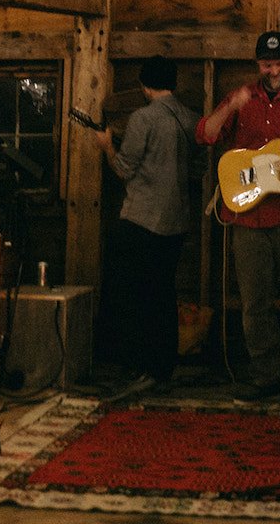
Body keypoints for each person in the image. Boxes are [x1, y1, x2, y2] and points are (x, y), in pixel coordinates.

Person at [198, 30, 280, 403]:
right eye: (267, 65)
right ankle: (265, 376)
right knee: (255, 303)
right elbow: (206, 135)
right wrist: (229, 108)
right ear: (258, 64)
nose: (274, 71)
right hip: (247, 217)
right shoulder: (241, 97)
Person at [94, 54, 198, 395]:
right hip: (177, 221)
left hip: (142, 220)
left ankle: (140, 367)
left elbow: (124, 169)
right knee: (164, 295)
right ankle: (162, 368)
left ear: (144, 85)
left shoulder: (143, 118)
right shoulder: (190, 118)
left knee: (136, 297)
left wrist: (107, 147)